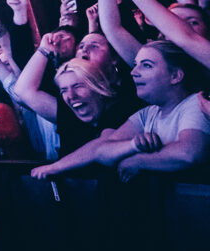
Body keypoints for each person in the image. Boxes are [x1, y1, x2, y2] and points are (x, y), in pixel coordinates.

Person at [31, 41, 210, 181]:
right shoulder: (147, 113)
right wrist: (132, 145)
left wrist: (138, 160)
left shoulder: (195, 103)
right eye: (136, 64)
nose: (133, 72)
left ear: (176, 76)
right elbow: (101, 151)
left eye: (146, 65)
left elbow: (189, 153)